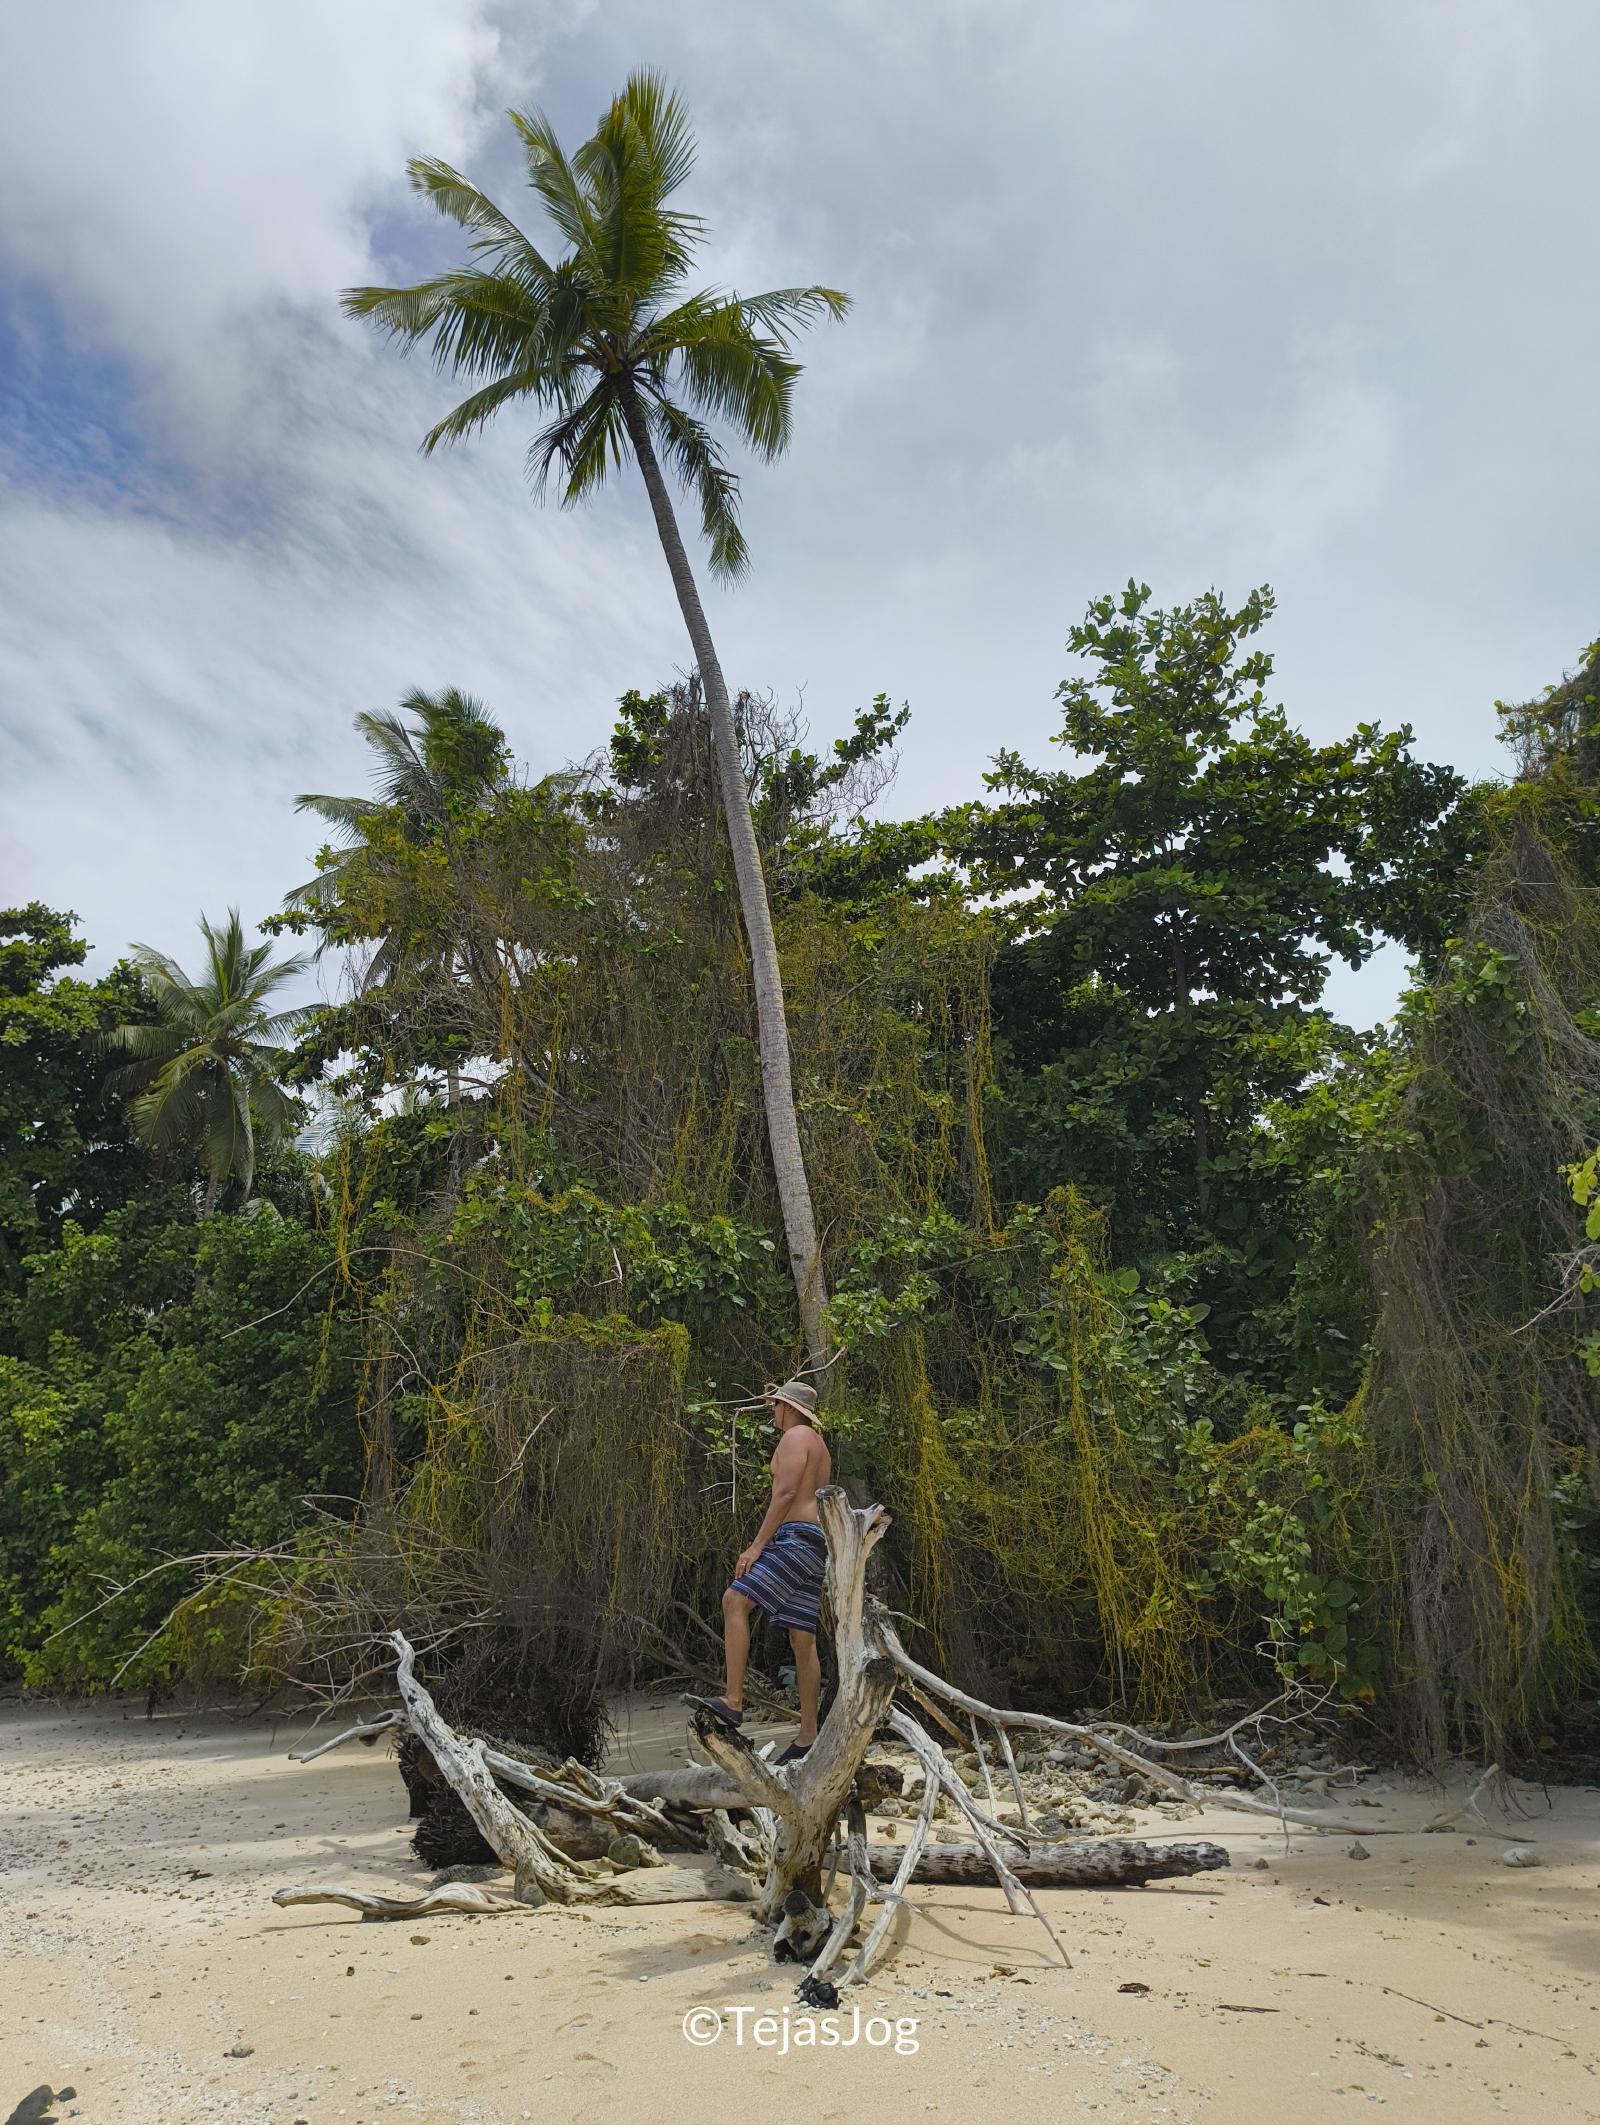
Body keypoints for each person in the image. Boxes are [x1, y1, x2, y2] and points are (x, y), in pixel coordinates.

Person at [698, 1380, 831, 1765]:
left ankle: (733, 1700)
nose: (772, 1411)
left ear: (789, 1407)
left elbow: (786, 1494)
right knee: (801, 1637)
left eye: (775, 1405)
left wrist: (756, 1546)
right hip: (816, 1541)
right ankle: (808, 1736)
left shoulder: (796, 1436)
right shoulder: (818, 1444)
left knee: (734, 1599)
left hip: (795, 1539)